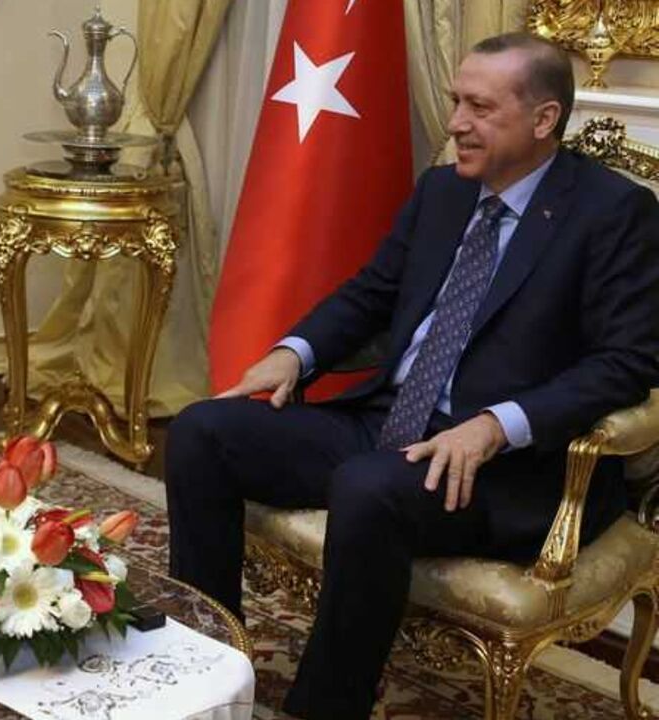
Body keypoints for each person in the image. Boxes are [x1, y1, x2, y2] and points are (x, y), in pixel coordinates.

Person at [166, 32, 659, 720]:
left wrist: (496, 426)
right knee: (201, 431)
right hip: (391, 422)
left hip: (505, 467)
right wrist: (297, 351)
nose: (455, 122)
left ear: (544, 121)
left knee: (369, 486)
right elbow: (372, 293)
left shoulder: (614, 213)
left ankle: (325, 708)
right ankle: (203, 664)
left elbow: (627, 363)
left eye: (479, 108)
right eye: (457, 101)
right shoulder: (444, 191)